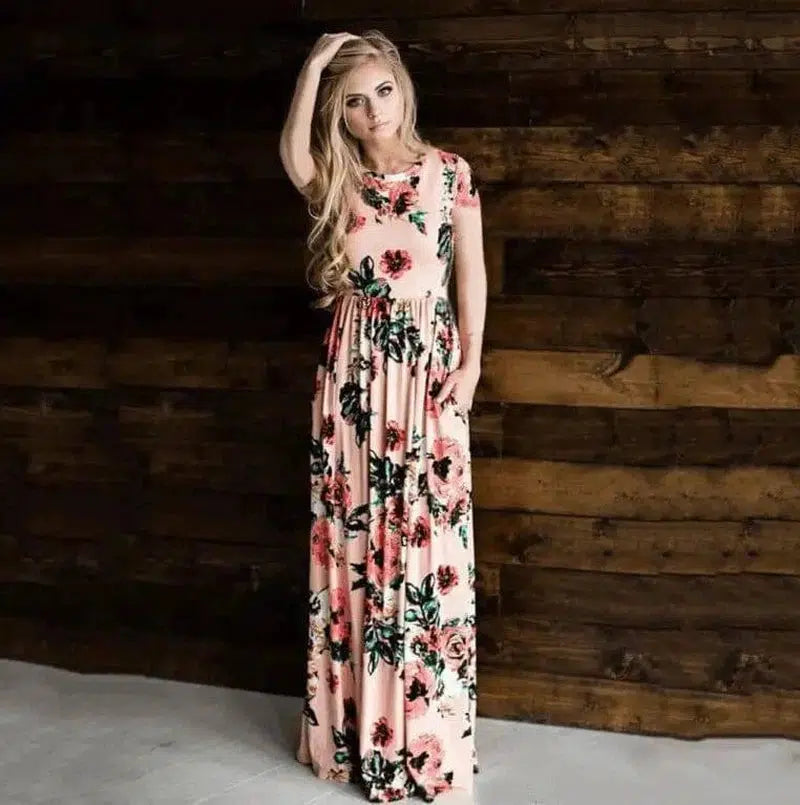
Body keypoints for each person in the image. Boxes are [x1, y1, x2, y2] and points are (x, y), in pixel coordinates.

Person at [279, 29, 487, 803]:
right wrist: (312, 68)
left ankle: (421, 737)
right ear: (341, 114)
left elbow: (471, 276)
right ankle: (354, 733)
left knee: (428, 544)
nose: (374, 111)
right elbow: (292, 156)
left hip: (428, 371)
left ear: (404, 87)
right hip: (354, 376)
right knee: (356, 539)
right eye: (355, 102)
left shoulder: (450, 173)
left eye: (383, 91)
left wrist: (471, 364)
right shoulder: (339, 178)